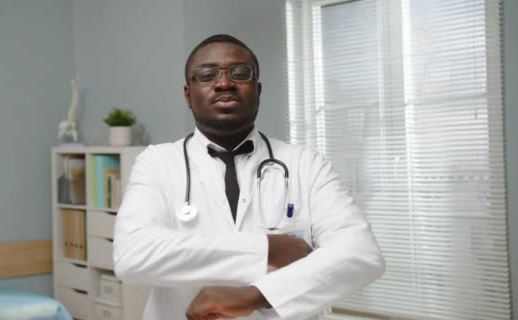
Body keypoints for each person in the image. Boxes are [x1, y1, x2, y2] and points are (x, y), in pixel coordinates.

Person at [113, 34, 385, 320]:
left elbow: (360, 252)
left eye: (239, 73)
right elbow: (133, 255)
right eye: (206, 75)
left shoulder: (305, 163)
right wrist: (267, 249)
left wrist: (259, 295)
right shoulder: (158, 162)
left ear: (258, 89)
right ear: (187, 95)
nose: (224, 83)